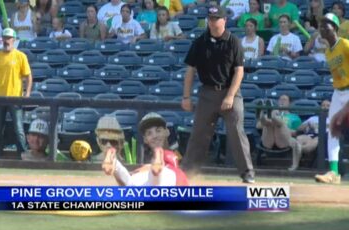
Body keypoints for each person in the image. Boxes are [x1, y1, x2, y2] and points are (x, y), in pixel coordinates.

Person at [180, 6, 255, 183]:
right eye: (210, 18)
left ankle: (247, 172)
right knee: (199, 133)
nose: (212, 22)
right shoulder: (200, 42)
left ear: (224, 21)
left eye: (216, 19)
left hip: (230, 91)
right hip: (207, 92)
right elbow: (190, 70)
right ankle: (187, 173)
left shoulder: (233, 41)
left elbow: (239, 72)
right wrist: (186, 96)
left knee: (236, 131)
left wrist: (230, 96)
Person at [101, 112, 189, 186]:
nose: (154, 136)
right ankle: (156, 166)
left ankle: (115, 163)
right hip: (159, 177)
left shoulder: (177, 150)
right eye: (149, 133)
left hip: (144, 177)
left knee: (130, 185)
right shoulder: (169, 157)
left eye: (158, 130)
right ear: (145, 139)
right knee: (156, 182)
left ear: (167, 131)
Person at [0, 28, 32, 157]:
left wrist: (27, 93)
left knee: (19, 129)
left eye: (9, 38)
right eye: (4, 38)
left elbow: (28, 76)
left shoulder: (20, 56)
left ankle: (22, 156)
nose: (6, 40)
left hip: (15, 98)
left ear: (14, 40)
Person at [314, 13, 349, 184]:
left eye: (326, 25)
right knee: (333, 130)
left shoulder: (345, 44)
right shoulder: (328, 52)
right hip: (338, 92)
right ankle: (334, 172)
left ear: (334, 28)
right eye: (320, 25)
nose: (322, 28)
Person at [256, 95, 302, 171]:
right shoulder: (273, 112)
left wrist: (282, 128)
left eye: (284, 100)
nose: (282, 101)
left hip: (284, 140)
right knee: (269, 124)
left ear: (289, 103)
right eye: (280, 99)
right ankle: (262, 116)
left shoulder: (294, 117)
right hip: (269, 140)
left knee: (280, 124)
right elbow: (258, 126)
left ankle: (268, 117)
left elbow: (295, 132)